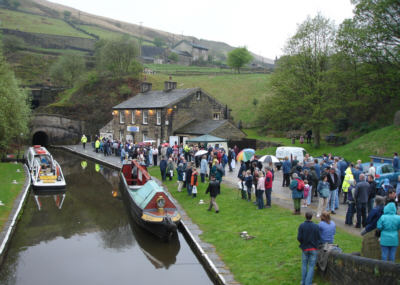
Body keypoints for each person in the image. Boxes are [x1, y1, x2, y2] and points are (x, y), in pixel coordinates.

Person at [297, 212, 321, 285]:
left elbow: (299, 238)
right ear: (312, 217)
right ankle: (308, 283)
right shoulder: (316, 226)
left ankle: (303, 282)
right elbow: (318, 237)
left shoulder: (301, 226)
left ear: (305, 217)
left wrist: (303, 243)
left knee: (304, 265)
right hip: (313, 248)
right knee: (311, 266)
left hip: (305, 248)